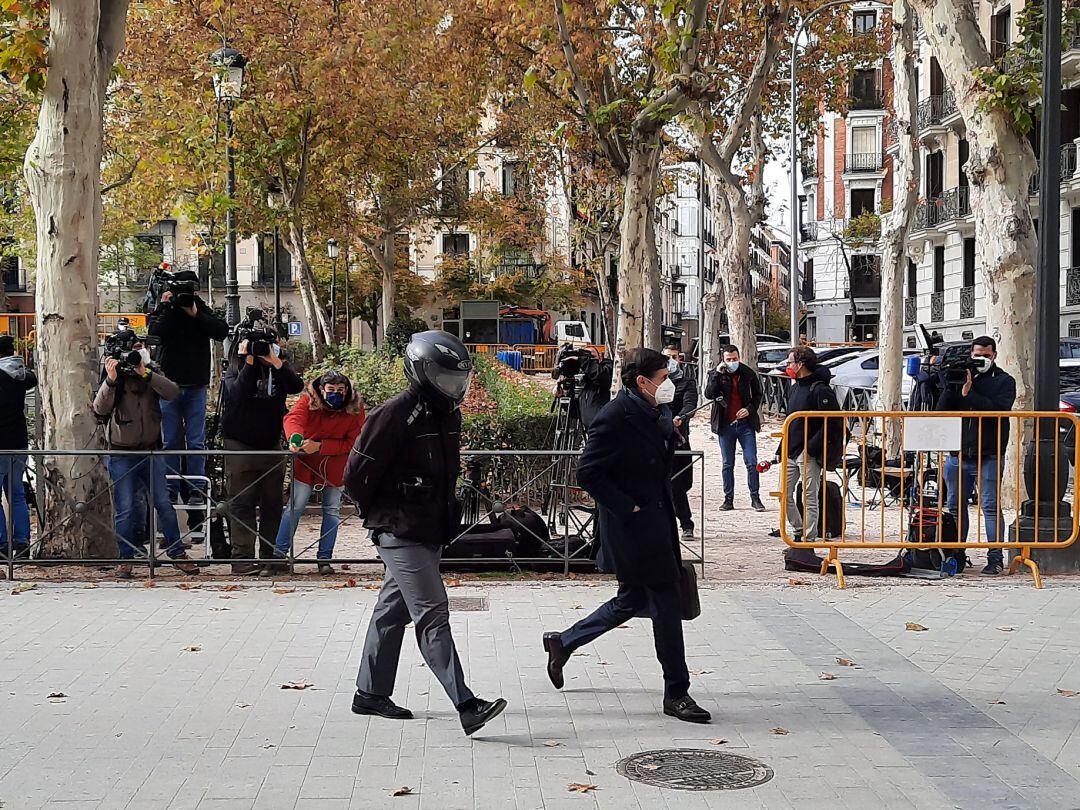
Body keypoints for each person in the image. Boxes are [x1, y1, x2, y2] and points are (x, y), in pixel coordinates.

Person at [345, 331, 507, 737]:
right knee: (433, 613)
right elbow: (356, 475)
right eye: (444, 378)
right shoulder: (394, 413)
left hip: (429, 526)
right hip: (401, 529)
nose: (454, 388)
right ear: (420, 373)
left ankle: (370, 693)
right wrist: (380, 516)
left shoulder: (446, 414)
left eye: (458, 379)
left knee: (392, 609)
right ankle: (466, 704)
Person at [543, 348, 711, 724]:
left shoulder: (655, 411)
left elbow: (659, 460)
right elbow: (588, 473)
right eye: (663, 378)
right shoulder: (614, 417)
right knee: (666, 606)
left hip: (658, 520)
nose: (668, 384)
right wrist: (628, 506)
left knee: (631, 600)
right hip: (634, 528)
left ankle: (563, 642)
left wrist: (671, 433)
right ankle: (677, 693)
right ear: (642, 381)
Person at [93, 338, 198, 578]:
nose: (132, 357)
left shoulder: (150, 372)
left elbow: (172, 392)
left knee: (163, 503)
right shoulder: (113, 377)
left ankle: (177, 553)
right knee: (126, 508)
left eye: (137, 350)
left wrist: (145, 372)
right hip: (121, 452)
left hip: (152, 451)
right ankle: (125, 559)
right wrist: (111, 379)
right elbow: (99, 408)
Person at [266, 371, 364, 576]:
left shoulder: (355, 407)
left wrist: (321, 446)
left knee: (331, 510)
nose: (336, 394)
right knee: (295, 507)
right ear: (321, 390)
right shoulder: (307, 400)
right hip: (306, 465)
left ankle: (324, 558)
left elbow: (354, 441)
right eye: (331, 390)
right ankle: (278, 555)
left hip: (335, 466)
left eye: (340, 390)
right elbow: (294, 419)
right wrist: (295, 437)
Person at [220, 337, 304, 575]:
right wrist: (247, 360)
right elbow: (237, 393)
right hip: (239, 445)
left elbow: (296, 385)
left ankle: (270, 557)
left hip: (270, 445)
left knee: (272, 504)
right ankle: (242, 559)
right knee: (242, 503)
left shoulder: (277, 369)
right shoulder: (234, 368)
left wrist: (275, 361)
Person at [937, 336, 1016, 576]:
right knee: (955, 506)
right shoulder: (961, 376)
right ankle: (956, 554)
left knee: (990, 506)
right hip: (958, 454)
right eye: (976, 354)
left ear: (994, 355)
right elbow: (941, 411)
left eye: (985, 355)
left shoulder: (1004, 381)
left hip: (989, 454)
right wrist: (950, 384)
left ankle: (995, 558)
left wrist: (969, 393)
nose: (980, 359)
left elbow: (998, 411)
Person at [148, 285, 229, 505]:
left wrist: (196, 314)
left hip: (196, 385)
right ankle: (171, 487)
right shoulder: (167, 311)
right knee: (170, 440)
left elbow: (221, 330)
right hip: (169, 386)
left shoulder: (200, 309)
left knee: (196, 441)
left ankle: (196, 488)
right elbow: (153, 331)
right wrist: (165, 305)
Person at [780, 346, 841, 549]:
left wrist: (812, 448)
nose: (788, 366)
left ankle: (809, 536)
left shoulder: (821, 389)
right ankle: (797, 530)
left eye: (790, 362)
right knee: (784, 495)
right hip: (792, 449)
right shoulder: (795, 387)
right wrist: (781, 449)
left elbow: (831, 422)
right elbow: (791, 421)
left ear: (801, 364)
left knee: (810, 496)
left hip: (809, 451)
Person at [705, 344, 765, 513]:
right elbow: (709, 394)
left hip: (746, 425)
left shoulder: (748, 374)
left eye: (735, 359)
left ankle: (755, 497)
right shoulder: (716, 374)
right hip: (725, 425)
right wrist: (717, 374)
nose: (732, 362)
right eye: (728, 359)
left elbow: (758, 395)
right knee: (727, 463)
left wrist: (749, 409)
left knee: (751, 461)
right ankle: (728, 498)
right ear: (723, 359)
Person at [0, 335, 35, 559]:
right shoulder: (22, 375)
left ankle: (2, 544)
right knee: (17, 494)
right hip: (19, 440)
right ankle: (22, 543)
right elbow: (32, 378)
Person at [661, 344, 700, 536]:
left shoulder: (687, 382)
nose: (670, 362)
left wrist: (680, 418)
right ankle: (680, 524)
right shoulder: (654, 381)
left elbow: (690, 405)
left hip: (678, 439)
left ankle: (685, 523)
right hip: (656, 440)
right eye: (667, 357)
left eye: (674, 357)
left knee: (681, 484)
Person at [578, 347, 613, 431]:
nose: (589, 360)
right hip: (590, 431)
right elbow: (577, 411)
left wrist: (587, 362)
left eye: (592, 357)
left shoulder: (608, 368)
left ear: (600, 357)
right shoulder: (585, 381)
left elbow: (600, 376)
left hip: (604, 429)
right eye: (586, 357)